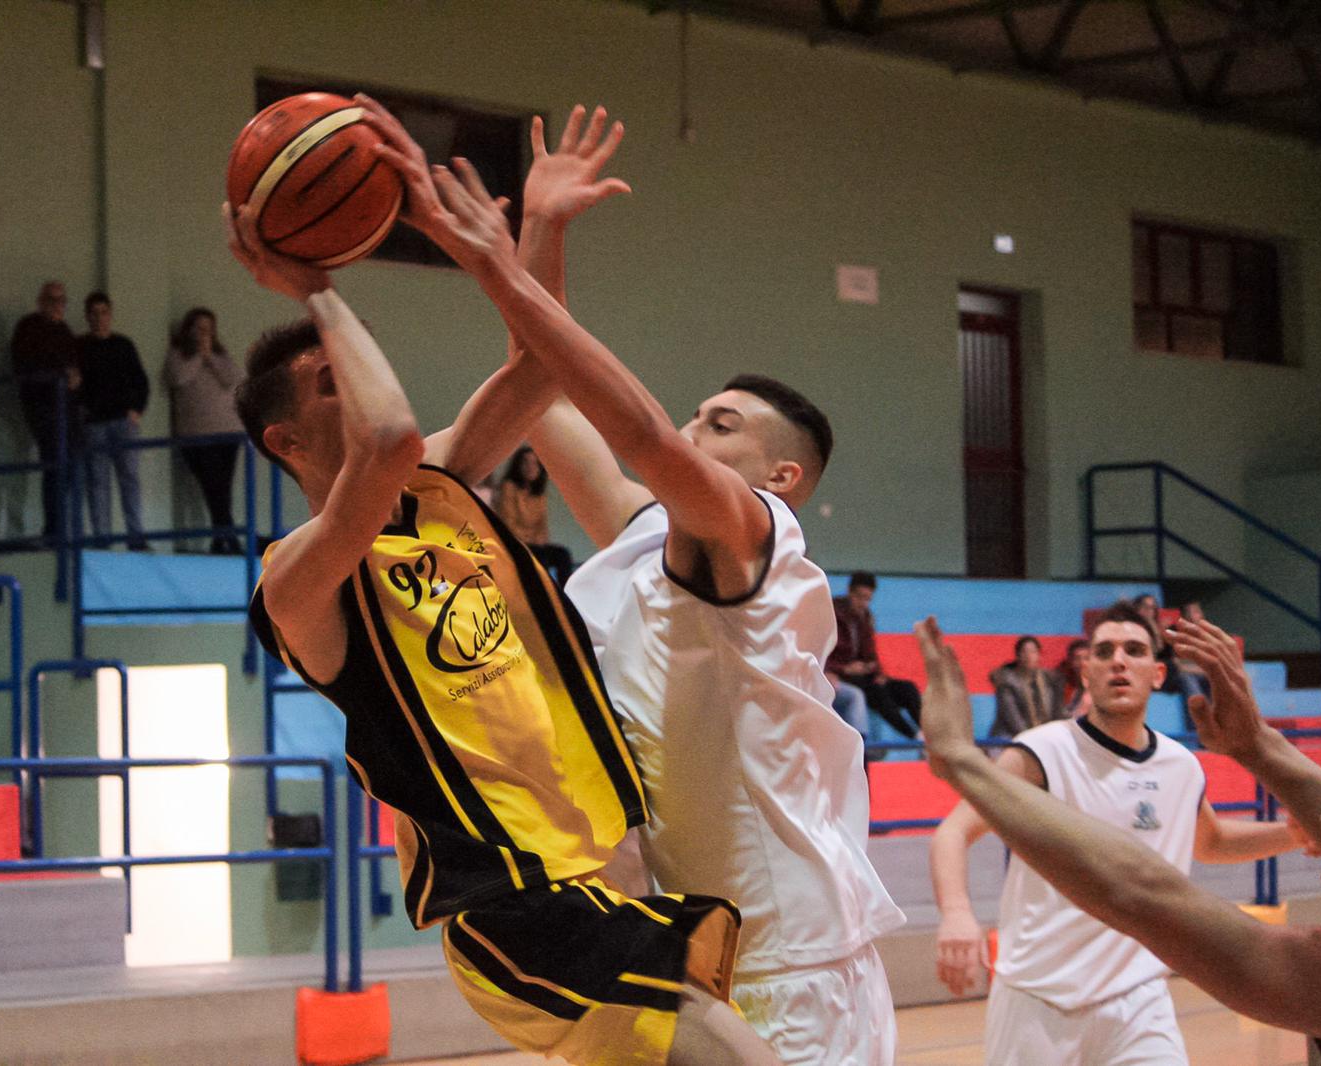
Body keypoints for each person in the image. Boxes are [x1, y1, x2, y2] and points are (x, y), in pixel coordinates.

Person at [232, 99, 779, 1066]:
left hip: (606, 871)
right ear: (286, 441)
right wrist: (317, 290)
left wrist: (540, 231)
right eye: (329, 383)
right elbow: (388, 436)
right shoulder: (298, 579)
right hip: (514, 906)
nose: (357, 382)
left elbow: (537, 371)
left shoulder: (440, 485)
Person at [362, 99, 905, 1064]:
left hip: (794, 963)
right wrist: (540, 232)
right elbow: (540, 388)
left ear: (782, 476)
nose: (695, 431)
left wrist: (492, 263)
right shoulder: (645, 532)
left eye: (723, 426)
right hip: (695, 948)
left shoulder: (756, 533)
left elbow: (641, 433)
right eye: (698, 417)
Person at [917, 614, 1321, 1066]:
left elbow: (1204, 844)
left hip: (1139, 994)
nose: (1118, 661)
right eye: (1104, 651)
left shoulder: (1179, 762)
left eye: (1133, 650)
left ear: (1158, 673)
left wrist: (958, 757)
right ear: (1085, 673)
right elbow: (954, 831)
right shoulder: (1042, 749)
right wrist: (957, 913)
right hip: (1040, 992)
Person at [165, 307, 244, 554]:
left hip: (227, 432)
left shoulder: (220, 355)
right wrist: (199, 356)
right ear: (188, 330)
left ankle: (222, 539)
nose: (204, 334)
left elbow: (233, 378)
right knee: (212, 486)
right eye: (199, 328)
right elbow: (178, 378)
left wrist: (210, 356)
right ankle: (228, 538)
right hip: (196, 435)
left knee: (223, 488)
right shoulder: (178, 355)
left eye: (208, 329)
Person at [76, 291, 150, 550]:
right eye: (94, 313)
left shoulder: (123, 345)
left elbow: (140, 381)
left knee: (129, 478)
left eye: (103, 312)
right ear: (87, 316)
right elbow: (75, 385)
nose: (99, 318)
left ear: (110, 314)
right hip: (94, 423)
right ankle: (102, 538)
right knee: (98, 481)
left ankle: (136, 536)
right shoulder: (79, 347)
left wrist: (137, 409)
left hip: (122, 420)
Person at [9, 280, 79, 542]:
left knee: (68, 467)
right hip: (42, 406)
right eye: (52, 300)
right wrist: (61, 374)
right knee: (54, 464)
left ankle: (59, 527)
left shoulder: (65, 332)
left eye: (62, 301)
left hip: (66, 409)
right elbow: (27, 365)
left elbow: (73, 364)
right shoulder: (28, 328)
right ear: (40, 302)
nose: (57, 306)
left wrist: (74, 378)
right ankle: (53, 530)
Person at [830, 571, 922, 741]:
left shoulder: (865, 616)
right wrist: (842, 669)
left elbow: (870, 651)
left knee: (907, 689)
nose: (863, 603)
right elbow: (820, 649)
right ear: (850, 592)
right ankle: (914, 735)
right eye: (860, 597)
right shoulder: (832, 613)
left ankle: (928, 733)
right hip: (839, 675)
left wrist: (878, 671)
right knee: (877, 693)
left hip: (863, 675)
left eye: (868, 599)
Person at [495, 444, 575, 583]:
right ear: (518, 466)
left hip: (536, 545)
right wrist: (531, 540)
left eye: (535, 463)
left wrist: (540, 542)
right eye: (526, 462)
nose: (530, 467)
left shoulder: (539, 493)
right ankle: (541, 594)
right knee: (539, 558)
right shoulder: (509, 487)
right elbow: (508, 524)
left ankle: (563, 594)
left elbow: (542, 526)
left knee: (562, 554)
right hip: (516, 544)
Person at [989, 635, 1067, 740]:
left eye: (1033, 652)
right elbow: (1012, 718)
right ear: (1017, 655)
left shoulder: (1051, 680)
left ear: (1039, 655)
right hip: (1010, 736)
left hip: (1045, 737)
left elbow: (1058, 713)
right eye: (1024, 652)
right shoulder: (1006, 682)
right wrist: (1032, 739)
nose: (1028, 656)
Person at [1058, 637, 1092, 714]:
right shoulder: (1064, 687)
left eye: (1087, 658)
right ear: (1070, 661)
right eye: (1077, 658)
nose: (1082, 663)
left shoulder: (1102, 688)